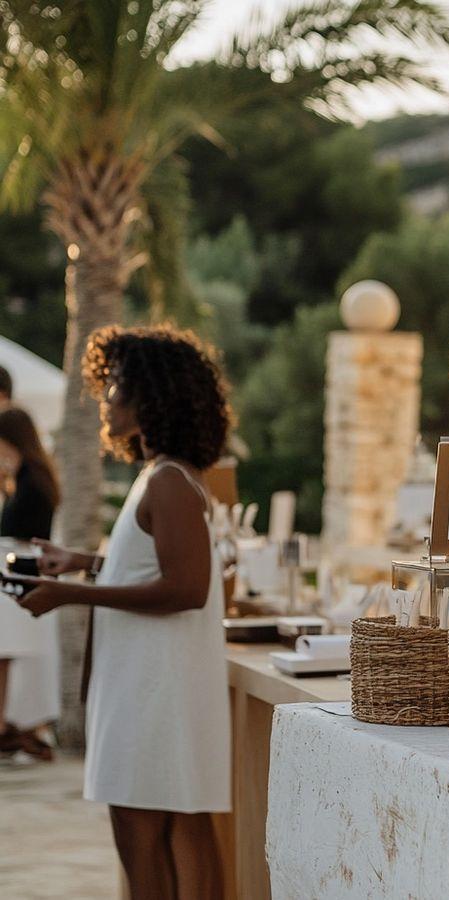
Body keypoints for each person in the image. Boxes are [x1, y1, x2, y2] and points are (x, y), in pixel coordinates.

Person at [13, 325, 231, 899]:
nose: (104, 400)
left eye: (112, 388)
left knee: (146, 845)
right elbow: (155, 569)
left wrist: (73, 593)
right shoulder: (162, 477)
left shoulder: (167, 482)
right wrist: (82, 562)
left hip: (152, 690)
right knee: (172, 835)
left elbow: (187, 588)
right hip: (149, 685)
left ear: (150, 400)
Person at [0, 407, 60, 759]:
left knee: (6, 656)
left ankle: (14, 728)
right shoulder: (25, 478)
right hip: (16, 575)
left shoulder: (32, 482)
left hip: (18, 576)